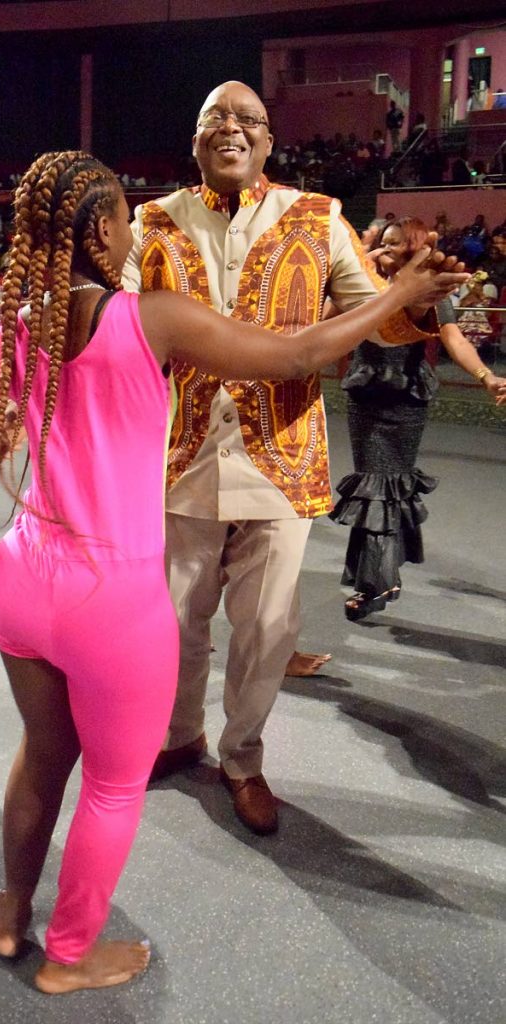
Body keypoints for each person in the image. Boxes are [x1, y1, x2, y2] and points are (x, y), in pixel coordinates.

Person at [0, 151, 466, 995]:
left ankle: (14, 910)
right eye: (124, 217)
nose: (134, 229)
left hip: (20, 583)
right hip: (111, 602)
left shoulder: (6, 332)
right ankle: (68, 956)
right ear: (98, 231)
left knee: (42, 752)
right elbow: (294, 353)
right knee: (115, 784)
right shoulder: (150, 319)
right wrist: (395, 296)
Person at [123, 80, 468, 835]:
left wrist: (414, 304)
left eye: (249, 119)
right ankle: (180, 740)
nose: (232, 128)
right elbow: (118, 326)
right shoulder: (149, 224)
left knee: (269, 629)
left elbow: (374, 317)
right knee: (176, 625)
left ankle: (242, 758)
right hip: (178, 460)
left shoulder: (319, 220)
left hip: (282, 460)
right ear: (194, 139)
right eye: (216, 116)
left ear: (271, 143)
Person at [329, 217, 506, 620]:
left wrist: (485, 376)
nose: (387, 249)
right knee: (376, 488)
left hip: (404, 400)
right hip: (364, 395)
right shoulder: (363, 283)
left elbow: (453, 337)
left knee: (382, 485)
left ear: (412, 248)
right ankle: (379, 575)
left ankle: (373, 584)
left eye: (395, 244)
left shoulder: (426, 290)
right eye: (383, 243)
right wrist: (356, 269)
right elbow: (324, 319)